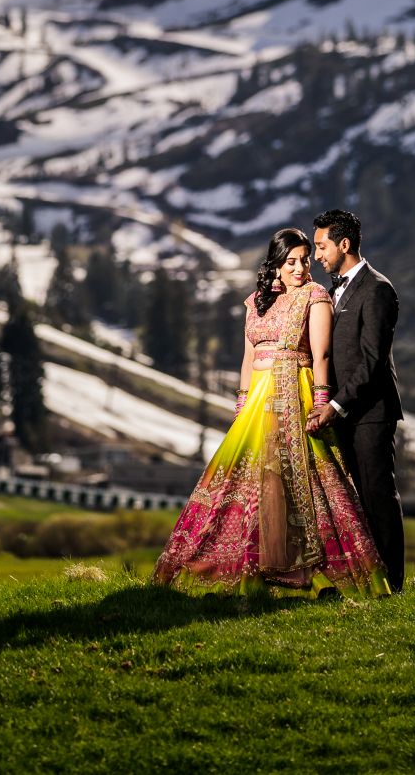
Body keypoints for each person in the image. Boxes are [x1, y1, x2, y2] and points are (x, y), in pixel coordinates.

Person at [152, 226, 390, 597]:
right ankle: (251, 565)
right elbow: (248, 358)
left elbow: (322, 354)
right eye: (291, 262)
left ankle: (315, 572)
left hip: (297, 391)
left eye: (305, 261)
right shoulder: (256, 301)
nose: (300, 268)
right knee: (248, 479)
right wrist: (243, 401)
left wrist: (324, 400)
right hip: (258, 402)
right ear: (275, 265)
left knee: (305, 480)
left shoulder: (315, 296)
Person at [306, 209, 405, 592]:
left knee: (377, 495)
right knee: (351, 499)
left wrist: (334, 406)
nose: (317, 255)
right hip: (343, 413)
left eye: (321, 246)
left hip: (370, 413)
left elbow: (371, 360)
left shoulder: (378, 289)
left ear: (343, 244)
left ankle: (392, 584)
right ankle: (361, 576)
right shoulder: (333, 290)